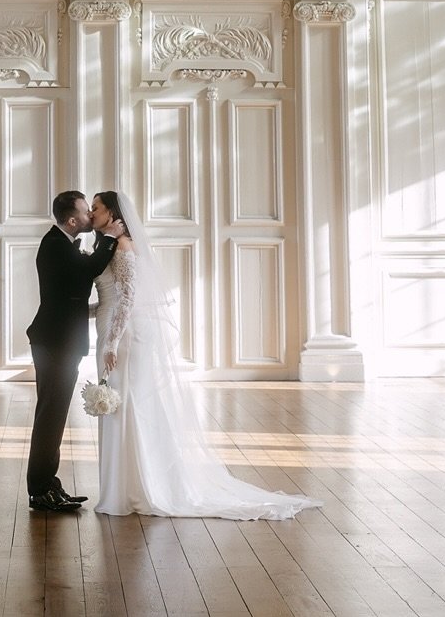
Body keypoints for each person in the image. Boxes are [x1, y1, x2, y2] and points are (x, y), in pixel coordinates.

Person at [91, 190, 324, 520]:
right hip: (113, 329)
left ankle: (139, 488)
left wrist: (112, 342)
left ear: (113, 213)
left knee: (130, 405)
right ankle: (125, 487)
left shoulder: (124, 246)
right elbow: (110, 297)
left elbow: (128, 298)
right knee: (123, 405)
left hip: (125, 335)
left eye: (96, 208)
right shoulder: (111, 246)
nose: (91, 213)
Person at [25, 189, 124, 512]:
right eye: (86, 211)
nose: (89, 217)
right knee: (50, 416)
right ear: (72, 219)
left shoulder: (60, 244)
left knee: (52, 416)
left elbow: (73, 294)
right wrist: (110, 237)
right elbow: (88, 270)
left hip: (58, 341)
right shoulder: (54, 245)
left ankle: (49, 485)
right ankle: (40, 491)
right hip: (55, 342)